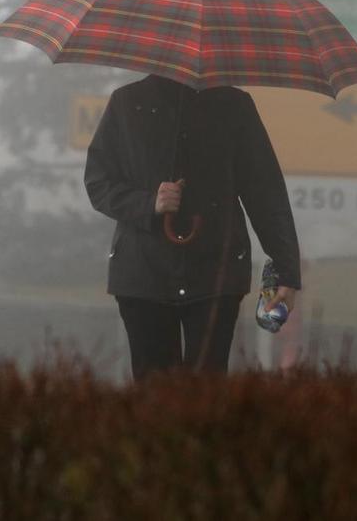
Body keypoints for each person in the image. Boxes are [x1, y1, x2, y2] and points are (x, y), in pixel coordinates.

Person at [84, 73, 301, 380]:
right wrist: (149, 203)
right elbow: (98, 181)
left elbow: (265, 193)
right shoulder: (127, 103)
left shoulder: (234, 106)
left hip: (216, 274)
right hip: (144, 275)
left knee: (206, 395)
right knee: (153, 396)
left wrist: (287, 272)